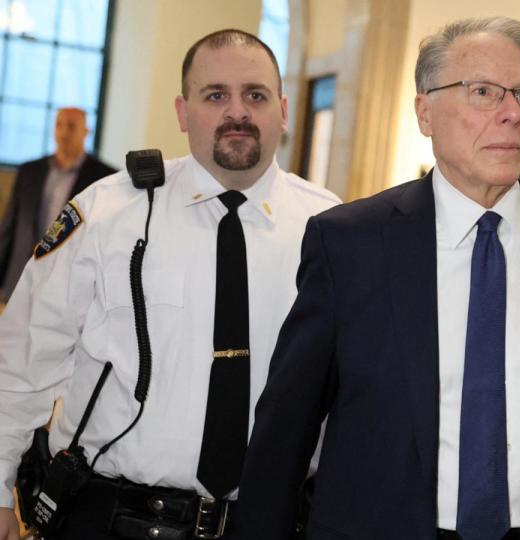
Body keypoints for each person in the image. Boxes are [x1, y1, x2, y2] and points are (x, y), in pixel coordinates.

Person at [237, 16, 520, 540]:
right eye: (484, 92)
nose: (512, 113)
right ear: (425, 110)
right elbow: (286, 430)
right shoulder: (351, 244)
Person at [0, 29, 339, 540]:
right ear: (183, 113)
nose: (238, 112)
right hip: (112, 517)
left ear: (284, 110)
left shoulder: (331, 229)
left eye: (256, 95)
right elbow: (24, 361)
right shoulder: (109, 211)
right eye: (215, 95)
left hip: (270, 522)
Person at [0, 107, 116, 306]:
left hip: (72, 286)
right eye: (59, 125)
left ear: (86, 132)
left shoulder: (105, 177)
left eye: (71, 126)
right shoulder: (29, 171)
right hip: (20, 280)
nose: (63, 132)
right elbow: (9, 228)